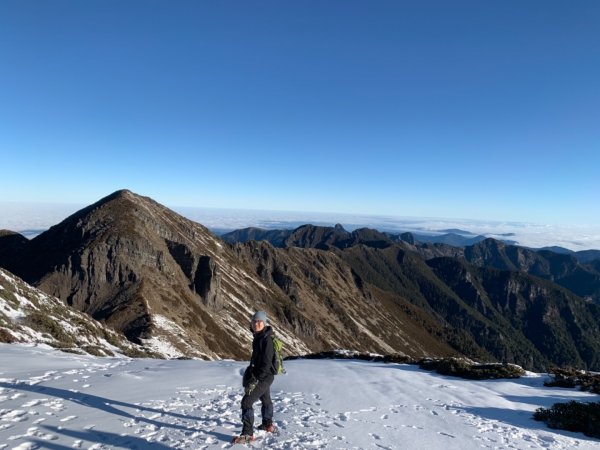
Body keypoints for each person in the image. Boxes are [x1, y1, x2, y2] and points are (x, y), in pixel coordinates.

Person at [233, 310, 277, 444]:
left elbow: (266, 363)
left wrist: (256, 379)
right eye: (254, 321)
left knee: (246, 402)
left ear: (264, 323)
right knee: (265, 399)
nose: (256, 324)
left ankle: (247, 434)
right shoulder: (259, 337)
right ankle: (267, 424)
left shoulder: (266, 340)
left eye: (259, 321)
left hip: (264, 376)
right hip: (265, 376)